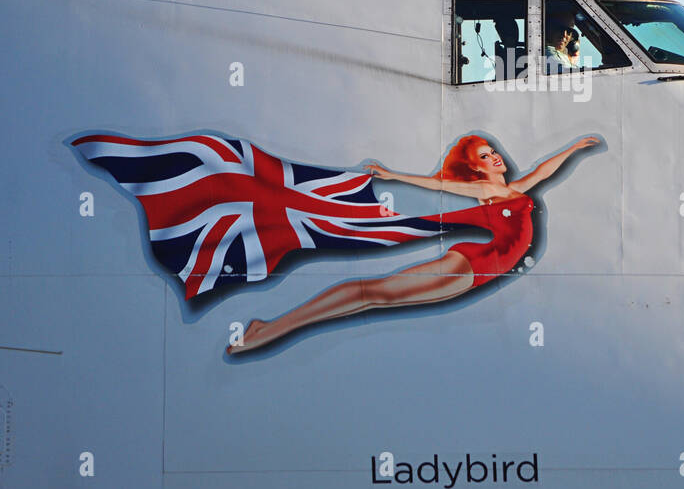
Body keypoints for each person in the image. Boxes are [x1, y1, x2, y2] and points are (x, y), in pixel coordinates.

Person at [227, 134, 601, 354]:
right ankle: (273, 328)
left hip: (479, 268)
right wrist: (392, 176)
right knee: (374, 293)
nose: (495, 156)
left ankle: (274, 326)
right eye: (484, 156)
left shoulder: (513, 189)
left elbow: (542, 171)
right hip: (471, 264)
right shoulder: (485, 189)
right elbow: (439, 185)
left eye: (492, 151)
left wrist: (575, 149)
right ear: (476, 170)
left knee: (375, 294)